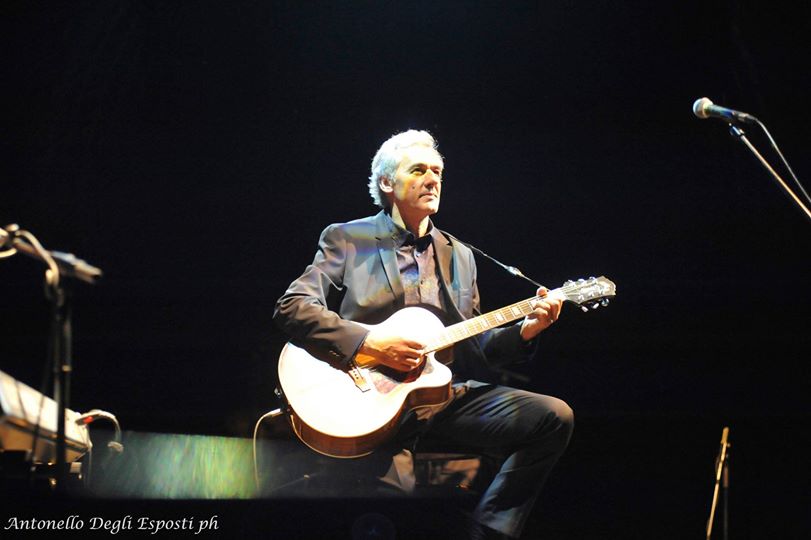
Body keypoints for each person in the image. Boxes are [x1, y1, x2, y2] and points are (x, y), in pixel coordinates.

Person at [273, 129, 573, 539]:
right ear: (387, 182)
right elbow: (293, 307)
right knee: (389, 516)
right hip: (370, 400)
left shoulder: (459, 255)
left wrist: (525, 331)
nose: (432, 179)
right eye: (418, 170)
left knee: (553, 418)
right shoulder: (349, 238)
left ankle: (487, 532)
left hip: (438, 396)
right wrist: (371, 343)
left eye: (437, 172)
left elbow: (475, 348)